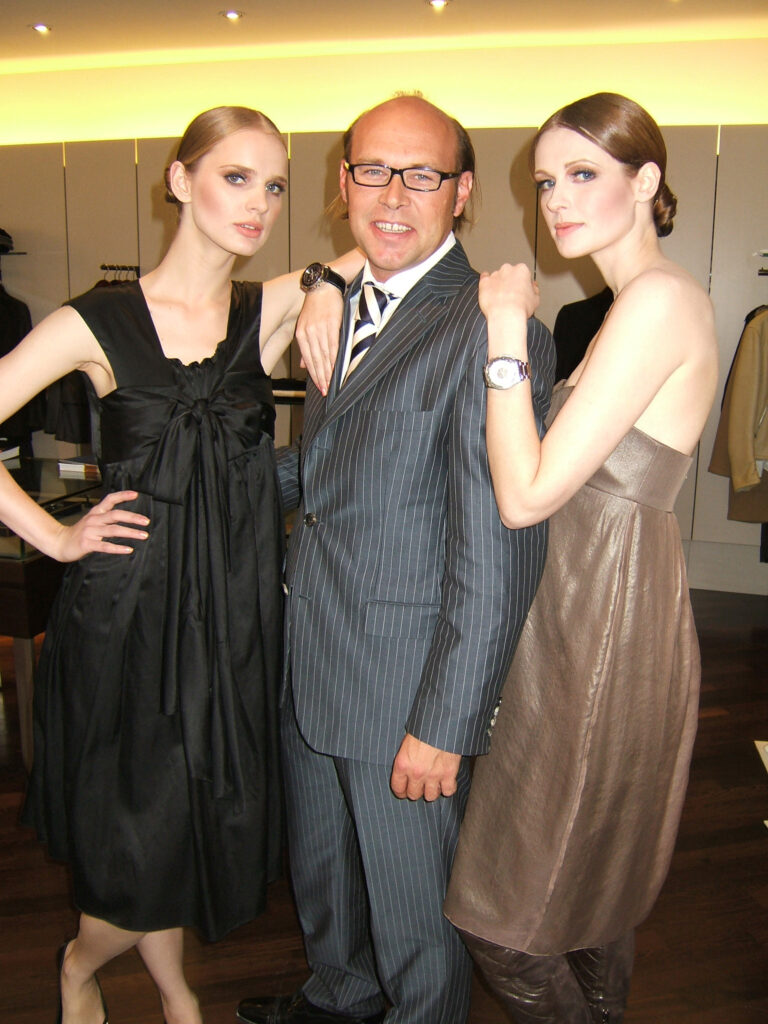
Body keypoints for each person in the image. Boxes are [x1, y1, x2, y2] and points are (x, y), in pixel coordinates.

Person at [7, 106, 360, 1024]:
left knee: (187, 812)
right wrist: (55, 537)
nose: (259, 203)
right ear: (179, 179)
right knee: (140, 816)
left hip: (234, 616)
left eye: (274, 185)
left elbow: (390, 247)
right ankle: (81, 965)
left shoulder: (265, 310)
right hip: (125, 614)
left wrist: (323, 281)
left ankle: (170, 984)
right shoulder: (94, 321)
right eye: (235, 177)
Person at [236, 94, 554, 1024]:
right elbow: (332, 472)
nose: (394, 194)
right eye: (374, 170)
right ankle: (339, 997)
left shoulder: (491, 328)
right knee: (324, 873)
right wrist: (199, 486)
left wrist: (445, 723)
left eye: (423, 175)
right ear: (344, 183)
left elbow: (501, 550)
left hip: (404, 689)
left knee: (416, 919)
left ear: (462, 193)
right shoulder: (338, 308)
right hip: (313, 656)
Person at [444, 92, 719, 1023]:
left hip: (602, 619)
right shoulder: (625, 306)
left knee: (504, 920)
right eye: (545, 181)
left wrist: (501, 325)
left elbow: (525, 494)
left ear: (645, 181)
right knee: (588, 885)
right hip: (584, 608)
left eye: (582, 173)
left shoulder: (658, 302)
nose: (556, 199)